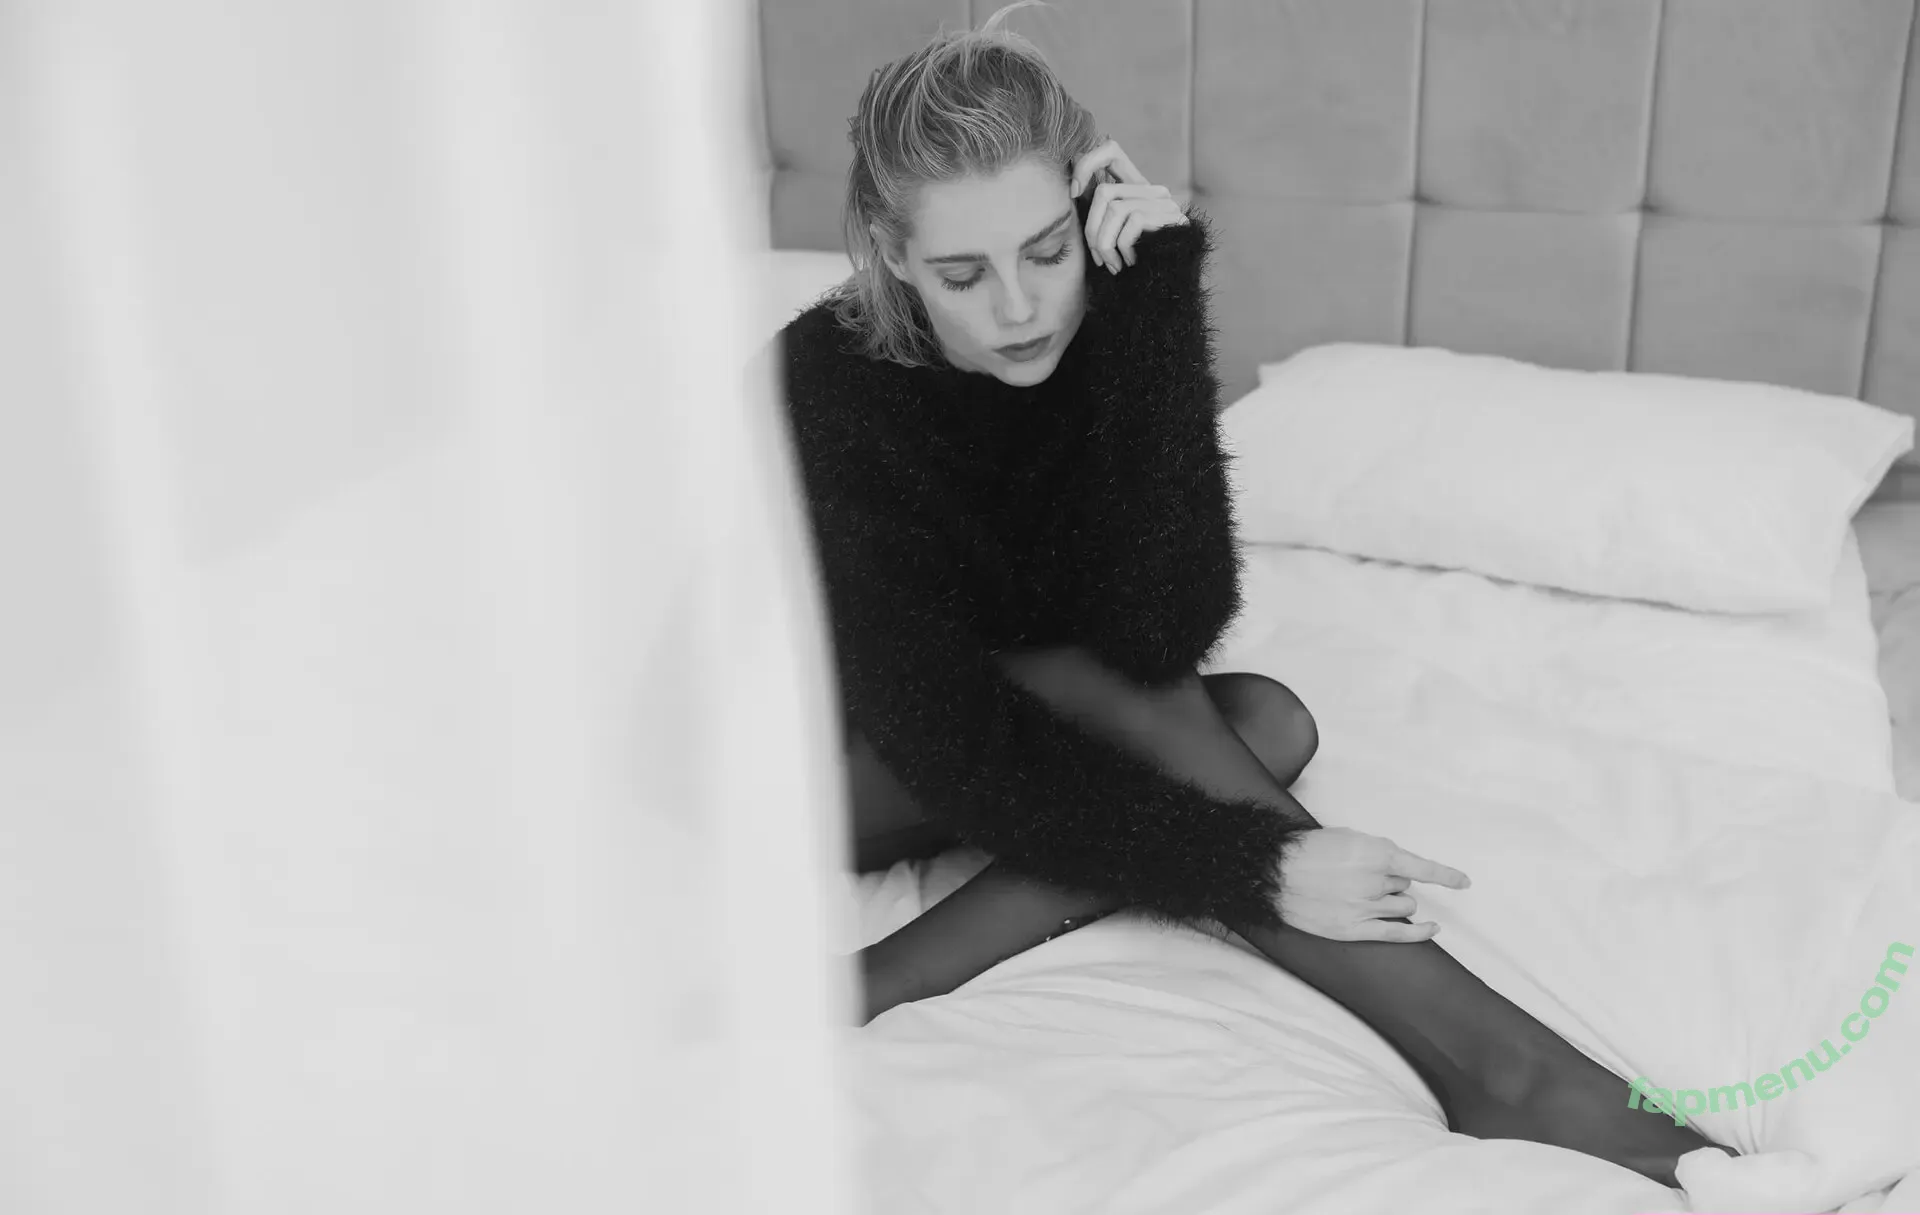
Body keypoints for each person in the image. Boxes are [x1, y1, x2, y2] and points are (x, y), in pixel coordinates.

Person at [770, 2, 1730, 1188]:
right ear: (890, 252)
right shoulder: (829, 387)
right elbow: (957, 733)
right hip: (784, 757)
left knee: (1264, 719)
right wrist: (1258, 865)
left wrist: (1157, 310)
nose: (1018, 307)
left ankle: (877, 978)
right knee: (1144, 707)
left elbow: (1160, 628)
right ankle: (1517, 1073)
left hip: (992, 716)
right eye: (962, 274)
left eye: (1049, 252)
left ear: (1087, 213)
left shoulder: (1100, 329)